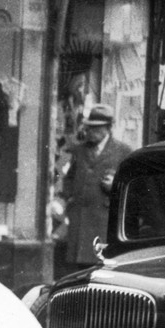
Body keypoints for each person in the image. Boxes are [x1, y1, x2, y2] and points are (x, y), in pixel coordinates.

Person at [60, 104, 132, 275]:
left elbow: (132, 188)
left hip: (104, 222)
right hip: (79, 221)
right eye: (89, 127)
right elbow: (69, 177)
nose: (90, 132)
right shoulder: (79, 150)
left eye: (96, 128)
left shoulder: (123, 151)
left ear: (108, 128)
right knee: (79, 273)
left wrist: (116, 186)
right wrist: (65, 198)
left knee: (100, 269)